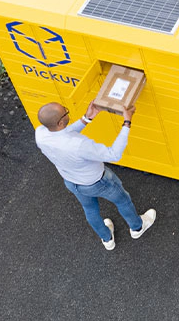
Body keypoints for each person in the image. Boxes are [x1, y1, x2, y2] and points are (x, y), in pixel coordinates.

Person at [35, 100, 155, 250]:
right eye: (65, 111)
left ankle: (107, 239)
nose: (67, 111)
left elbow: (63, 135)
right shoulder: (79, 145)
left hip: (72, 182)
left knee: (90, 210)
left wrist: (86, 118)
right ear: (60, 122)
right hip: (98, 182)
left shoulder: (40, 134)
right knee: (123, 200)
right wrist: (127, 122)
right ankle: (137, 227)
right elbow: (114, 154)